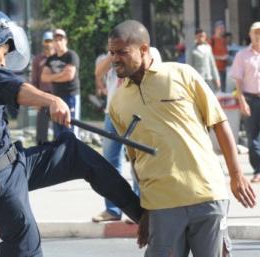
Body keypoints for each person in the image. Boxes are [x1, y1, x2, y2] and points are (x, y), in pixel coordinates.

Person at [0, 9, 144, 257]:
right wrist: (51, 100)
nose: (4, 60)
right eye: (5, 50)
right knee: (26, 245)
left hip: (11, 167)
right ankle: (143, 217)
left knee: (73, 152)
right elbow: (16, 87)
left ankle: (142, 216)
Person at [107, 20, 256, 257]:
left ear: (144, 49)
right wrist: (145, 211)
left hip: (208, 194)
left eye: (122, 52)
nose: (115, 58)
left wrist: (237, 175)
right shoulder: (117, 103)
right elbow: (136, 160)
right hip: (161, 205)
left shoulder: (182, 74)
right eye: (112, 52)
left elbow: (219, 122)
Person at [92, 46, 161, 222]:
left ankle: (138, 207)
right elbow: (98, 72)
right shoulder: (110, 56)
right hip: (112, 113)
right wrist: (113, 54)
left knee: (138, 160)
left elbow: (156, 78)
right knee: (109, 161)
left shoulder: (149, 51)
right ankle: (113, 209)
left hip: (136, 111)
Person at [230, 21, 260, 183]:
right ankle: (258, 170)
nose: (258, 36)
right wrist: (242, 101)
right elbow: (238, 81)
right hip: (250, 99)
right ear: (250, 35)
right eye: (256, 32)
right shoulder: (242, 55)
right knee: (252, 137)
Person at [41, 28, 80, 138]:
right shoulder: (51, 59)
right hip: (56, 97)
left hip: (71, 96)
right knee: (57, 130)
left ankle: (72, 154)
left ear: (65, 40)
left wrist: (52, 77)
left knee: (70, 128)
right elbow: (44, 77)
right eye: (56, 39)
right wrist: (60, 74)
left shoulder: (71, 55)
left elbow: (69, 76)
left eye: (61, 39)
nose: (58, 42)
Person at [30, 31, 55, 145]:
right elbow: (34, 80)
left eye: (50, 41)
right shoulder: (38, 60)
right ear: (43, 43)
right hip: (43, 96)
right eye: (46, 41)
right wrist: (36, 98)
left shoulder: (60, 58)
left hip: (58, 95)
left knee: (60, 128)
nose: (48, 44)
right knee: (41, 131)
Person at [187, 28, 220, 93]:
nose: (202, 38)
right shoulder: (191, 49)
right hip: (198, 78)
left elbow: (212, 64)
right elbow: (189, 65)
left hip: (208, 78)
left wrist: (217, 78)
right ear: (196, 37)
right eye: (200, 36)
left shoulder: (208, 48)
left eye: (203, 36)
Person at [210, 20, 228, 92]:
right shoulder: (212, 40)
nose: (223, 30)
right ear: (216, 29)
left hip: (223, 69)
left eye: (223, 28)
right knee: (216, 91)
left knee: (223, 90)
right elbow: (209, 56)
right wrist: (221, 58)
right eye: (221, 28)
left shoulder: (223, 40)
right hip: (215, 70)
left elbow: (225, 53)